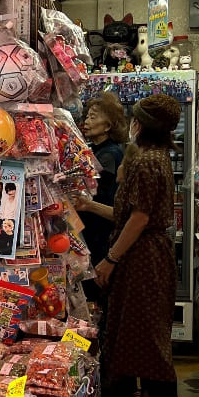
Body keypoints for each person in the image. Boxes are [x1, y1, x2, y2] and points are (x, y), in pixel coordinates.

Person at [94, 95, 187, 397]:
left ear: (141, 124)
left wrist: (111, 258)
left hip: (143, 256)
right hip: (149, 253)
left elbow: (139, 217)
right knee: (145, 332)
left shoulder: (145, 161)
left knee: (149, 338)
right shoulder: (155, 157)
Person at [74, 91, 129, 286]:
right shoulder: (97, 150)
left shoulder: (109, 155)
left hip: (101, 236)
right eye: (87, 116)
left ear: (108, 126)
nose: (87, 121)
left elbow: (102, 199)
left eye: (93, 117)